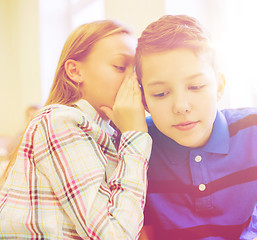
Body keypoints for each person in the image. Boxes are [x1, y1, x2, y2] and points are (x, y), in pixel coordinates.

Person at [134, 15, 257, 240]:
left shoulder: (256, 128)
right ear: (143, 100)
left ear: (219, 86)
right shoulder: (139, 143)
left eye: (196, 86)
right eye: (160, 94)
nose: (181, 106)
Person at [0, 20, 151, 239]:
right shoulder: (59, 120)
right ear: (75, 71)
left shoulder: (109, 132)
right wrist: (136, 136)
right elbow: (114, 235)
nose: (133, 80)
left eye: (136, 70)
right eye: (120, 66)